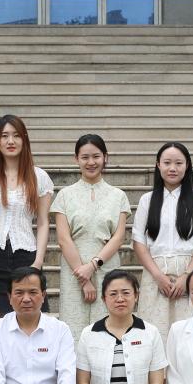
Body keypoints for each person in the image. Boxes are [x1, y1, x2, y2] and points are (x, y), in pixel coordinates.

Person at [132, 141, 193, 384]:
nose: (172, 168)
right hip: (154, 275)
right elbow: (138, 242)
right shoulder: (147, 200)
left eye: (178, 162)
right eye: (167, 162)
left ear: (187, 166)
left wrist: (186, 278)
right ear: (158, 166)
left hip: (188, 275)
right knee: (157, 339)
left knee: (186, 340)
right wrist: (157, 275)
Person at [52, 134, 131, 352]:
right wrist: (83, 276)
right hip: (74, 270)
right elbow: (63, 239)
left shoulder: (118, 196)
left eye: (96, 156)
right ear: (76, 159)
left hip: (107, 267)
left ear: (105, 157)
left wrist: (93, 265)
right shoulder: (64, 195)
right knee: (74, 329)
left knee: (108, 327)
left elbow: (118, 237)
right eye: (85, 157)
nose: (91, 162)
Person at [0, 114, 54, 322]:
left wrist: (37, 262)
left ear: (24, 139)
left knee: (29, 323)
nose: (11, 141)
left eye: (16, 135)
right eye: (5, 136)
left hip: (27, 256)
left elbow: (43, 223)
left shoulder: (39, 177)